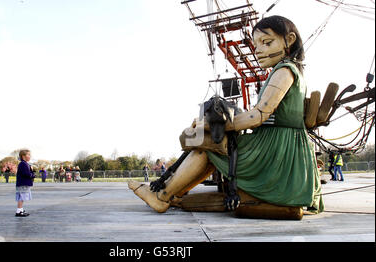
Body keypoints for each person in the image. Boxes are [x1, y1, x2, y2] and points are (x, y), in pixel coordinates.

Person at [129, 15, 324, 216]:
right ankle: (173, 193)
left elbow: (257, 116)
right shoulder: (291, 71)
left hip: (275, 150)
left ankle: (162, 196)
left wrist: (213, 125)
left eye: (266, 42)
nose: (258, 50)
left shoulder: (283, 71)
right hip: (282, 145)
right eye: (256, 44)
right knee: (215, 145)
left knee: (209, 146)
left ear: (290, 39)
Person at [15, 149, 35, 217]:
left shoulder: (25, 163)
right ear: (23, 156)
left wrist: (31, 170)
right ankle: (19, 211)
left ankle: (20, 210)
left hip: (22, 183)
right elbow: (26, 174)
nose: (30, 156)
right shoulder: (23, 164)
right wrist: (32, 174)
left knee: (22, 197)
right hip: (23, 184)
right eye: (28, 155)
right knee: (21, 197)